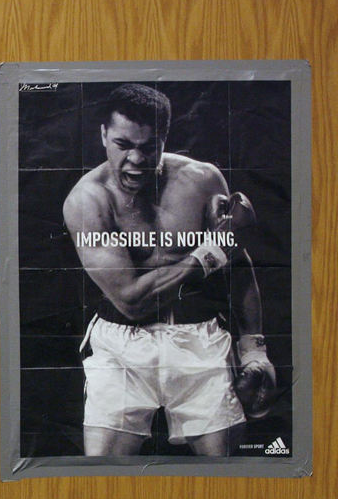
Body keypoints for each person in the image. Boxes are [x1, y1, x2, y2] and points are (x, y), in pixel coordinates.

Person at [62, 83, 276, 457]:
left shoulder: (204, 180)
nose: (136, 160)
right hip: (120, 347)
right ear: (103, 136)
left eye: (148, 147)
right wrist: (208, 254)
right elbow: (131, 300)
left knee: (226, 479)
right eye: (123, 145)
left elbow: (237, 265)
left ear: (164, 138)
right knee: (103, 478)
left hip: (200, 338)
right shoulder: (88, 200)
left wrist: (254, 348)